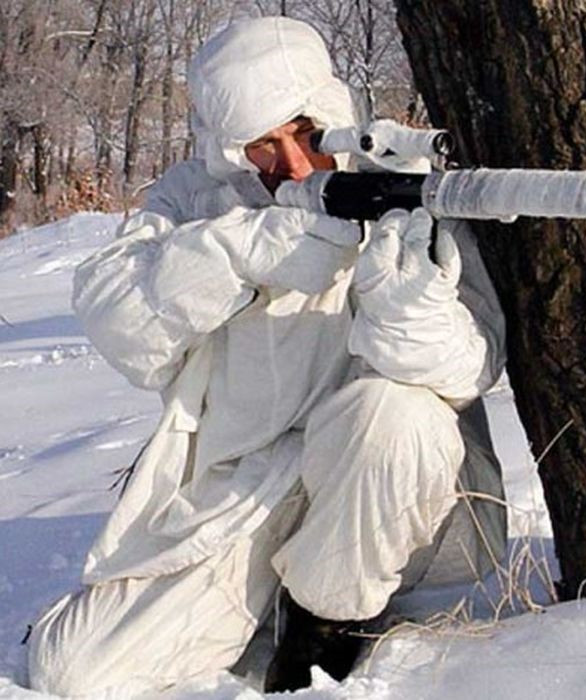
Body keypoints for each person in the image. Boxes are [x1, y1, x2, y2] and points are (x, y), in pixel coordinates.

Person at [27, 16, 507, 695]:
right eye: (264, 145)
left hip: (399, 495)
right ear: (230, 151)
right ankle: (270, 596)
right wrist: (243, 252)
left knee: (393, 413)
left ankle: (322, 632)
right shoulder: (199, 201)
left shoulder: (408, 184)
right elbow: (121, 321)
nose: (295, 164)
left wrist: (407, 310)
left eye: (307, 133)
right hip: (249, 493)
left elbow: (475, 366)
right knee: (73, 671)